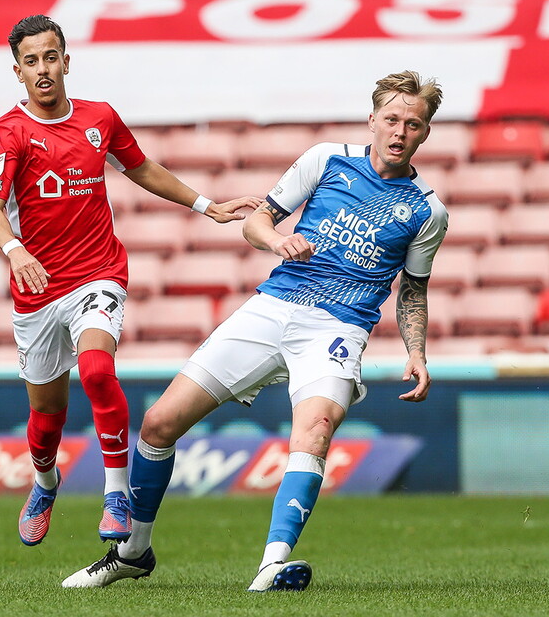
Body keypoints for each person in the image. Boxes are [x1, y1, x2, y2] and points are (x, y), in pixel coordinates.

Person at [61, 70, 447, 591]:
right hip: (274, 305)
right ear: (373, 119)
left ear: (425, 133)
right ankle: (132, 553)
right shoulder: (326, 159)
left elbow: (414, 290)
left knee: (315, 430)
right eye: (393, 119)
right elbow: (256, 221)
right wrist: (277, 241)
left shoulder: (427, 210)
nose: (400, 132)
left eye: (413, 124)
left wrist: (416, 352)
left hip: (338, 327)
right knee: (158, 424)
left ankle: (273, 564)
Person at [0, 15, 260, 548]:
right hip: (39, 289)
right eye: (31, 61)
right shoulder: (8, 132)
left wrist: (207, 205)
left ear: (67, 61)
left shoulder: (100, 118)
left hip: (98, 273)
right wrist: (15, 250)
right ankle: (45, 482)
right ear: (18, 72)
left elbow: (141, 167)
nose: (43, 69)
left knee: (96, 370)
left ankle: (115, 494)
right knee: (46, 416)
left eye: (51, 57)